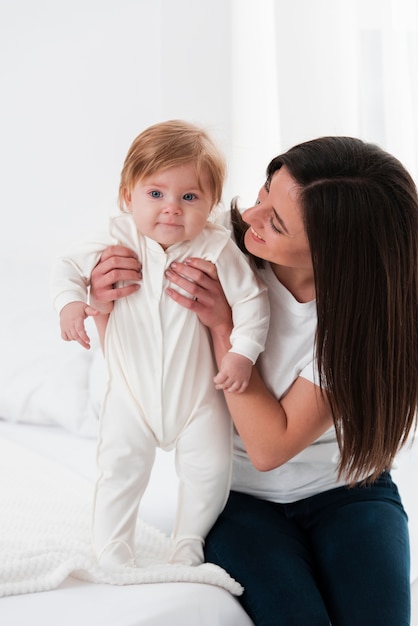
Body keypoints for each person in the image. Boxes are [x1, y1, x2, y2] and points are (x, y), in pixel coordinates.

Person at [89, 135, 418, 625]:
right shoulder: (215, 243)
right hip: (238, 496)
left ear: (334, 254)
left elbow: (271, 445)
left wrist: (226, 327)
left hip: (349, 490)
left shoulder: (366, 319)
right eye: (266, 192)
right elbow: (138, 343)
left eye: (277, 221)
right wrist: (102, 298)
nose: (252, 216)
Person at [51, 120, 269, 569]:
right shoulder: (116, 236)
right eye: (156, 194)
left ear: (209, 204)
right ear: (128, 194)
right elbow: (66, 268)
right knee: (119, 470)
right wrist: (71, 305)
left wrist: (242, 352)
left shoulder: (217, 248)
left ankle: (187, 540)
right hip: (131, 393)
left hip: (199, 396)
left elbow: (253, 301)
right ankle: (113, 548)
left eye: (189, 197)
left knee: (209, 471)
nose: (171, 209)